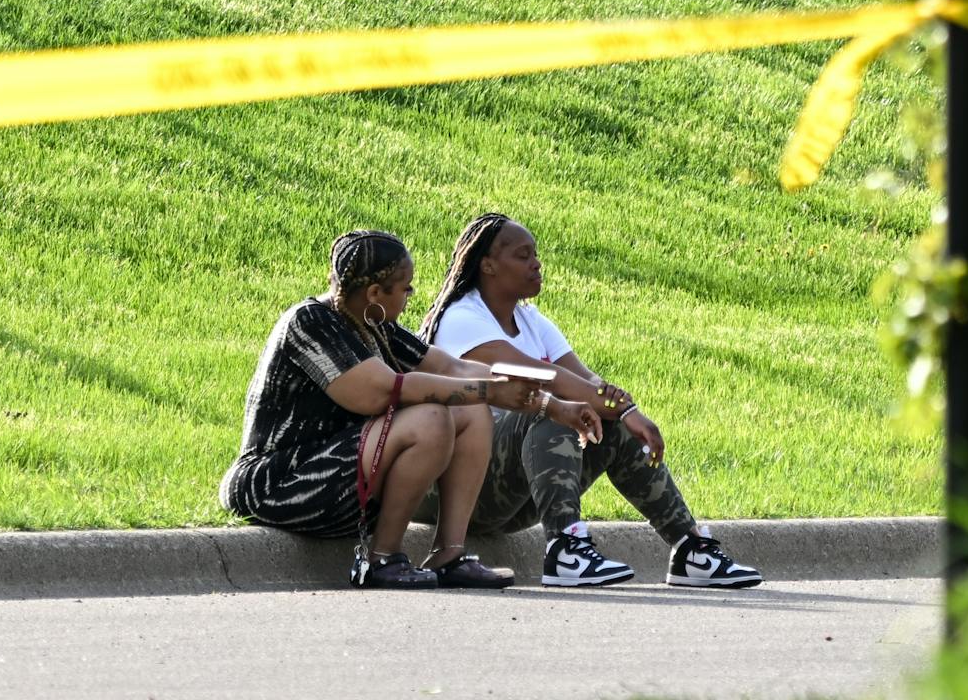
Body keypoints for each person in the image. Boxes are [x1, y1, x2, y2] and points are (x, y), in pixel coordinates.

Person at [219, 229, 605, 590]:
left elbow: (452, 367)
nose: (410, 295)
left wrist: (547, 403)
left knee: (470, 411)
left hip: (339, 480)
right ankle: (381, 559)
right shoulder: (310, 322)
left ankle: (448, 556)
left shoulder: (375, 325)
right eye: (404, 289)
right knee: (432, 416)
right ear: (374, 292)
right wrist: (487, 390)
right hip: (278, 482)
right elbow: (379, 392)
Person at [419, 213, 763, 590]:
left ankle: (689, 549)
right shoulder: (461, 319)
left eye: (536, 254)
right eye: (523, 255)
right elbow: (541, 377)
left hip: (515, 496)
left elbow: (587, 381)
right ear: (488, 265)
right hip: (459, 492)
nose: (536, 264)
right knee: (549, 407)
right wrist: (611, 406)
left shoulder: (532, 321)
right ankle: (566, 549)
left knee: (604, 422)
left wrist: (624, 410)